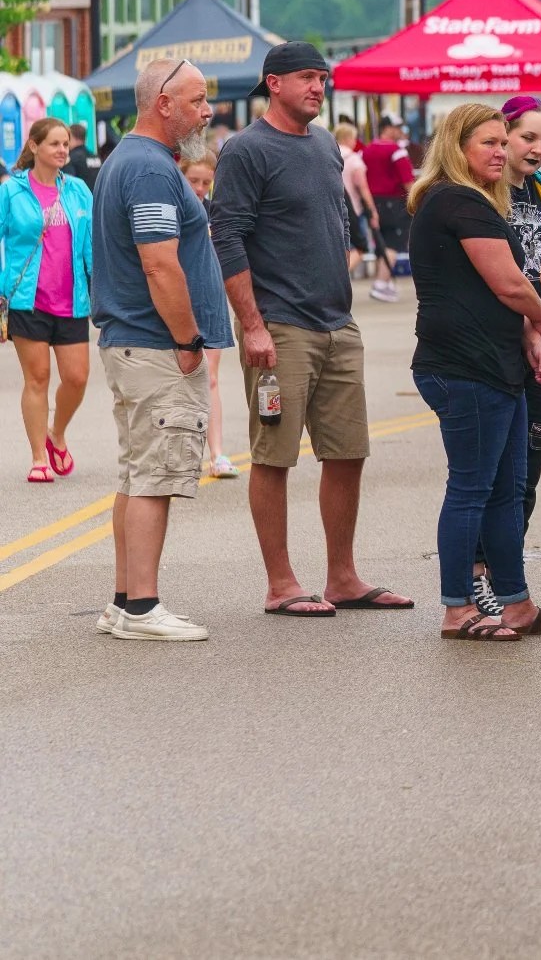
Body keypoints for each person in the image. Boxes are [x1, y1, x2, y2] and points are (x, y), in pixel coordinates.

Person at [212, 42, 405, 617]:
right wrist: (252, 326)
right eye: (306, 78)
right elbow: (227, 238)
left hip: (337, 324)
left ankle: (342, 576)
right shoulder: (246, 150)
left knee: (348, 453)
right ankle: (281, 583)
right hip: (280, 328)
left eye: (323, 78)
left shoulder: (325, 144)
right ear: (273, 83)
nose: (318, 88)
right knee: (274, 456)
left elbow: (334, 223)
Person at [408, 105, 541, 641]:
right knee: (473, 489)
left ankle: (516, 603)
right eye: (490, 143)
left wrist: (527, 335)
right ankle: (457, 608)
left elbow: (499, 290)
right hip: (464, 366)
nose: (502, 152)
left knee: (508, 488)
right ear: (458, 147)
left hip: (497, 364)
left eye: (505, 142)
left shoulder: (477, 200)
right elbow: (510, 284)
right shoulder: (458, 200)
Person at [90, 58, 232, 641]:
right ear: (163, 103)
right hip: (154, 345)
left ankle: (124, 601)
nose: (207, 111)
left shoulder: (131, 159)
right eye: (198, 101)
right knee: (154, 479)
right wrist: (188, 340)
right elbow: (159, 261)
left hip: (133, 342)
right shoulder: (150, 168)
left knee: (137, 474)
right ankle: (142, 609)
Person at [2, 117, 94, 483]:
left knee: (77, 377)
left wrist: (100, 285)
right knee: (37, 378)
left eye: (65, 144)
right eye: (54, 143)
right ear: (34, 146)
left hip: (72, 298)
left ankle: (56, 434)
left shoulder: (78, 191)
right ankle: (39, 457)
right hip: (28, 299)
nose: (61, 150)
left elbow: (90, 246)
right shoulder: (11, 192)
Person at [177, 151, 238, 479]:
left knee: (209, 377)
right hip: (177, 302)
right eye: (193, 181)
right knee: (177, 377)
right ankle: (181, 453)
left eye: (205, 182)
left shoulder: (215, 214)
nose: (199, 188)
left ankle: (217, 454)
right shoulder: (171, 212)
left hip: (210, 300)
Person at [333, 122, 395, 293]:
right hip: (354, 210)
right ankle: (338, 279)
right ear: (348, 138)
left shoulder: (330, 154)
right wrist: (372, 209)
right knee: (360, 248)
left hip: (333, 208)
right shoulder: (354, 160)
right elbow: (363, 188)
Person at [361, 115, 413, 301]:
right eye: (397, 126)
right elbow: (407, 180)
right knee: (394, 242)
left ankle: (384, 281)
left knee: (381, 241)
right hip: (394, 202)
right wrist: (416, 200)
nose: (400, 130)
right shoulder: (397, 151)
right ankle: (382, 283)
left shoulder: (367, 150)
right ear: (387, 128)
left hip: (373, 201)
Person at [63, 122, 93, 190]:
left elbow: (67, 184)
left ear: (72, 137)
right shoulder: (96, 157)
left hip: (81, 198)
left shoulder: (71, 158)